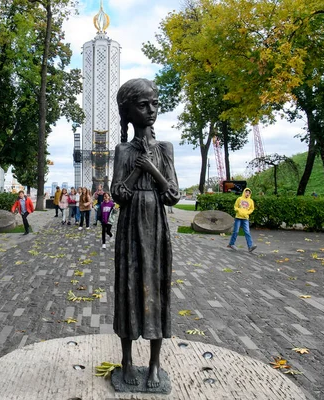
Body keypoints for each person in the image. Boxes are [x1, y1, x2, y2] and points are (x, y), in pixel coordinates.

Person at [111, 78, 180, 388]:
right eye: (143, 105)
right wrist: (138, 169)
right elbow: (118, 194)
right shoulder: (123, 150)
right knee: (128, 286)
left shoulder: (165, 149)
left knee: (156, 288)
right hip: (129, 229)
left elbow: (173, 194)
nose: (151, 110)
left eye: (154, 104)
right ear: (128, 111)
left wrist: (152, 170)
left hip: (156, 228)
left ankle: (154, 365)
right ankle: (126, 360)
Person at [227, 188, 257, 252]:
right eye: (246, 192)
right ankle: (231, 244)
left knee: (247, 232)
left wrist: (247, 213)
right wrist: (238, 210)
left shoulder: (251, 201)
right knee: (236, 231)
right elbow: (235, 206)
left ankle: (250, 246)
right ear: (244, 192)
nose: (247, 194)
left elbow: (252, 209)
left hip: (245, 218)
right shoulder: (239, 199)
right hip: (238, 217)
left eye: (249, 193)